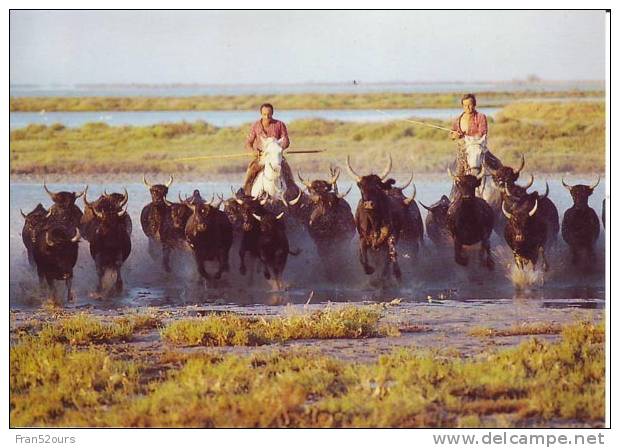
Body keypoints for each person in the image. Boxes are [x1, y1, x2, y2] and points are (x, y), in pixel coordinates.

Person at [242, 103, 296, 195]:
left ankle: (293, 193)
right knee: (250, 172)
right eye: (264, 114)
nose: (267, 116)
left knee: (287, 172)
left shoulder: (280, 124)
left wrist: (278, 149)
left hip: (277, 157)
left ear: (272, 113)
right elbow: (248, 143)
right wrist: (253, 152)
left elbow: (286, 141)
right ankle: (245, 194)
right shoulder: (255, 125)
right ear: (261, 114)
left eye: (269, 114)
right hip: (261, 158)